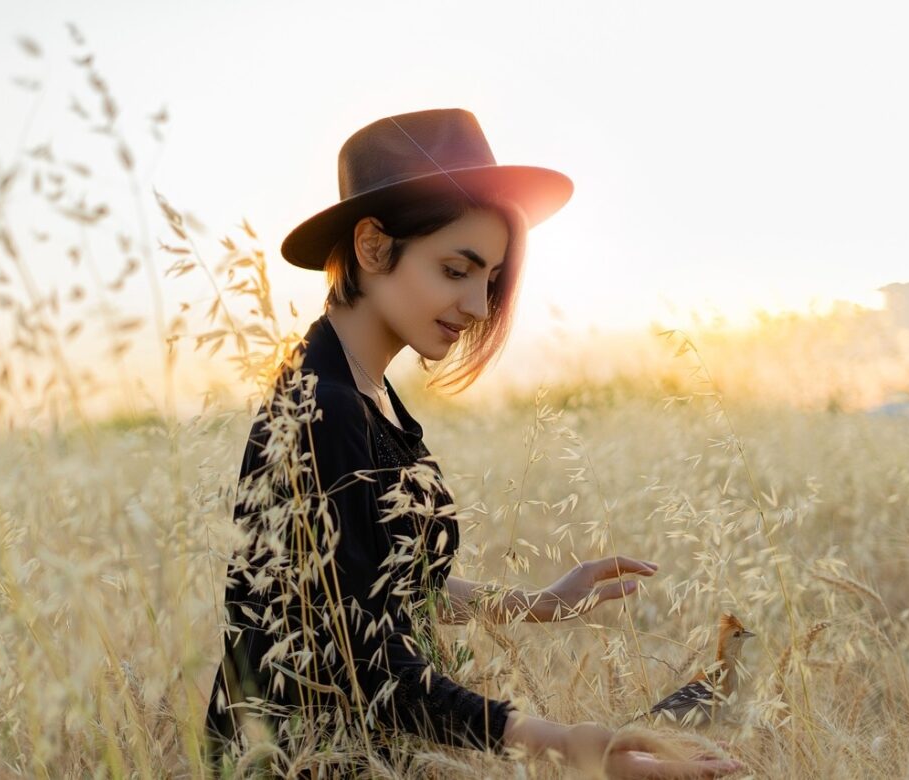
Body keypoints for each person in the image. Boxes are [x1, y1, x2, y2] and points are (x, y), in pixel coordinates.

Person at [203, 108, 743, 778]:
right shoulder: (324, 411)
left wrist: (537, 606)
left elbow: (380, 593)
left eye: (489, 280)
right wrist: (575, 746)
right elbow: (369, 671)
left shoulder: (366, 394)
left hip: (372, 752)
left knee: (684, 728)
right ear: (372, 248)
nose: (481, 308)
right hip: (302, 763)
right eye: (456, 269)